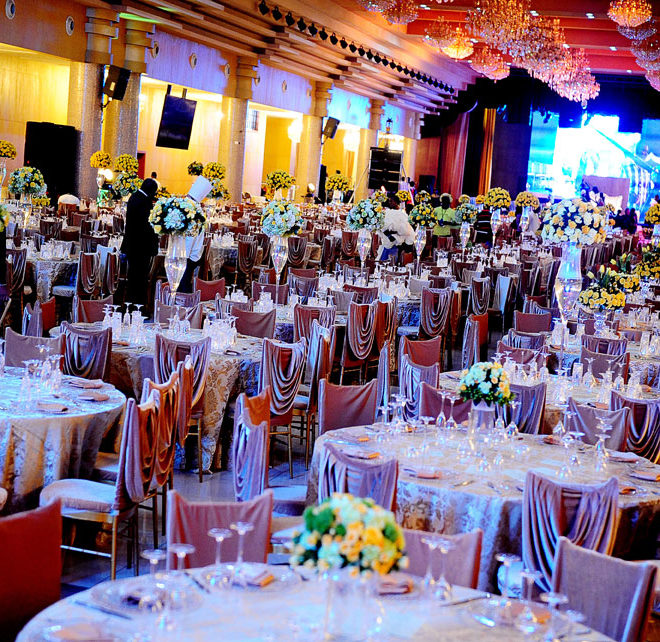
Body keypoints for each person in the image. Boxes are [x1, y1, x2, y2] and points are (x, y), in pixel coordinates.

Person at [120, 178, 159, 305]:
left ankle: (131, 303)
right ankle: (138, 305)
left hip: (132, 244)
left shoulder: (134, 197)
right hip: (141, 246)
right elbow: (147, 225)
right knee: (140, 278)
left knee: (133, 276)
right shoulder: (144, 200)